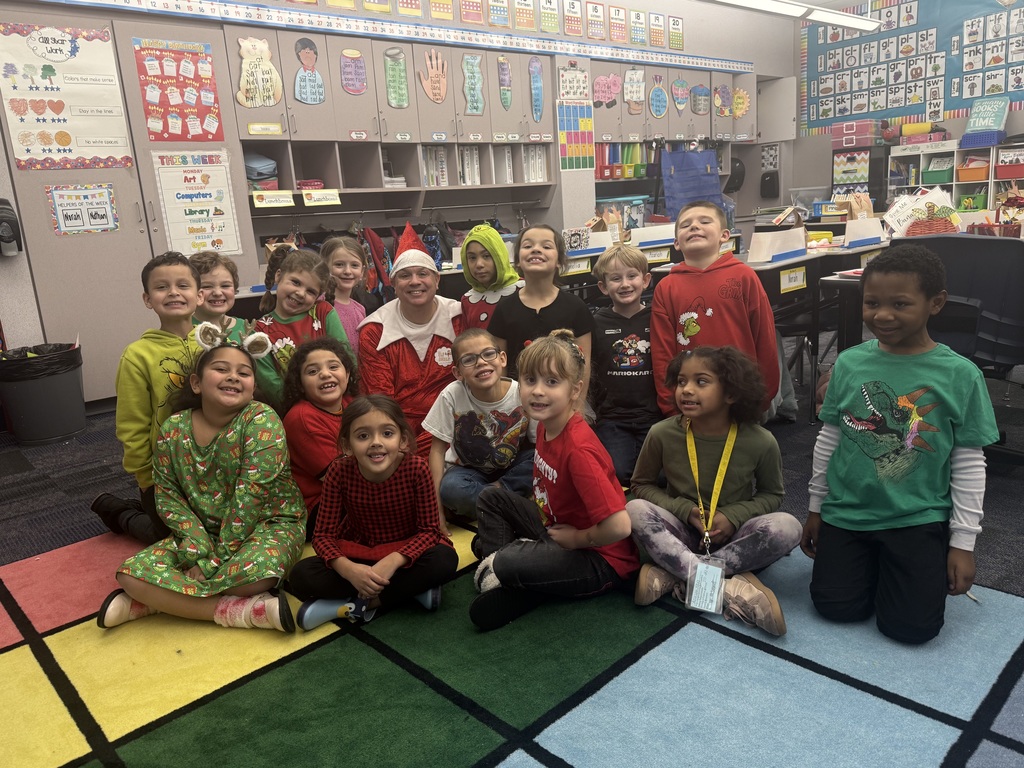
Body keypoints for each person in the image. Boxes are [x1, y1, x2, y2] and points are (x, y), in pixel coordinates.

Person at [801, 245, 999, 644]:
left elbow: (969, 463)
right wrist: (815, 509)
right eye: (872, 302)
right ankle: (873, 567)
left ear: (935, 303)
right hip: (848, 513)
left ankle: (902, 567)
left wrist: (963, 543)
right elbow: (830, 439)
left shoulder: (961, 375)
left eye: (901, 303)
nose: (882, 315)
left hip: (916, 516)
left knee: (912, 629)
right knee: (836, 607)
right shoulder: (850, 363)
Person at [96, 323, 306, 633]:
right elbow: (168, 495)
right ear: (196, 383)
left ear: (252, 385)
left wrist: (209, 563)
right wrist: (196, 548)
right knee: (129, 574)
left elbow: (252, 497)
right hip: (202, 533)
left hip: (268, 522)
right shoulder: (173, 429)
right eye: (221, 369)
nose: (233, 376)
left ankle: (155, 601)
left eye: (244, 373)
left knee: (260, 575)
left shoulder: (262, 420)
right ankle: (241, 611)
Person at [470, 330, 637, 631]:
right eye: (530, 380)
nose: (537, 391)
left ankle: (509, 573)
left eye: (551, 382)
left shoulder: (579, 450)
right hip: (554, 529)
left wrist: (578, 539)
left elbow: (620, 526)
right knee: (489, 498)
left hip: (599, 559)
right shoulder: (546, 426)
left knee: (504, 559)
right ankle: (515, 579)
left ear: (575, 390)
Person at [627, 346, 800, 636]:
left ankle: (676, 575)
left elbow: (772, 495)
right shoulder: (662, 433)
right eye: (682, 381)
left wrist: (733, 516)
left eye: (701, 382)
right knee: (633, 510)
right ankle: (730, 586)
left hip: (734, 536)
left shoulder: (761, 440)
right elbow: (640, 485)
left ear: (731, 394)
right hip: (680, 532)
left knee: (789, 527)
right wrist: (684, 510)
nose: (687, 390)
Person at [287, 395, 459, 629]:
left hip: (405, 554)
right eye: (363, 436)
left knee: (444, 559)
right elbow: (322, 536)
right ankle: (411, 592)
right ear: (347, 445)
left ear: (403, 440)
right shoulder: (339, 471)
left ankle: (358, 605)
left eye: (387, 433)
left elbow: (429, 531)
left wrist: (393, 562)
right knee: (301, 575)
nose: (376, 442)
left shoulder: (416, 468)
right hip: (359, 552)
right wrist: (349, 570)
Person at [91, 252, 203, 544]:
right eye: (162, 287)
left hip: (216, 466)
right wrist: (147, 480)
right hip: (167, 474)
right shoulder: (138, 355)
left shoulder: (215, 342)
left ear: (199, 295)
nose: (174, 292)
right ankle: (121, 513)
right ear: (147, 299)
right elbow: (132, 424)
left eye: (183, 285)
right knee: (176, 544)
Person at [650, 201, 779, 417]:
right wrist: (670, 405)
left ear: (725, 235)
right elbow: (662, 352)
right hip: (689, 402)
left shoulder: (744, 277)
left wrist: (762, 396)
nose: (694, 227)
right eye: (685, 225)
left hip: (740, 396)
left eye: (705, 221)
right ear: (676, 243)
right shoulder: (666, 288)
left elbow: (765, 339)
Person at [421, 328, 535, 534]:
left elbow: (539, 444)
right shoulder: (452, 395)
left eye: (488, 354)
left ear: (502, 358)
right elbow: (436, 451)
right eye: (469, 359)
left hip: (511, 468)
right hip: (468, 471)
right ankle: (511, 507)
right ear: (457, 373)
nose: (481, 362)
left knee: (540, 461)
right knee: (452, 489)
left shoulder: (522, 392)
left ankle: (494, 500)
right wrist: (436, 512)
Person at [358, 249, 465, 457]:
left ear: (437, 280)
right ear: (393, 285)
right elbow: (380, 401)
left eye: (423, 274)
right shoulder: (374, 331)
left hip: (456, 422)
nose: (415, 281)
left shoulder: (460, 318)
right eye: (405, 275)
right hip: (399, 432)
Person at [488, 225, 595, 408]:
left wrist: (576, 407)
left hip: (563, 405)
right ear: (518, 261)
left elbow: (583, 367)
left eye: (546, 246)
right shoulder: (505, 309)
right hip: (519, 405)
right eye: (528, 246)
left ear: (559, 261)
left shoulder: (576, 307)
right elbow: (500, 366)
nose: (536, 249)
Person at [590, 243, 662, 486]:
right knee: (619, 473)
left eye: (632, 276)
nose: (625, 284)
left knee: (659, 474)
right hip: (613, 417)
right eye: (615, 278)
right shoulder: (595, 323)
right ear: (603, 286)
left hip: (653, 414)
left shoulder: (659, 318)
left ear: (646, 280)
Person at [253, 245, 354, 411]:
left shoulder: (323, 312)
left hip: (339, 406)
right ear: (278, 276)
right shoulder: (259, 331)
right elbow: (272, 386)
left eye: (310, 291)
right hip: (295, 412)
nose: (300, 293)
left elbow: (347, 361)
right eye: (295, 282)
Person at [282, 337, 359, 540]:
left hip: (356, 488)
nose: (325, 374)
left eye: (333, 366)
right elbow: (342, 479)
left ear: (347, 374)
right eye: (312, 371)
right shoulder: (301, 418)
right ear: (300, 384)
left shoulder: (352, 404)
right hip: (320, 506)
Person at [458, 223, 521, 329]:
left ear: (499, 257)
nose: (479, 264)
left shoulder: (523, 290)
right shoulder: (468, 300)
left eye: (486, 256)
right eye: (472, 258)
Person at [320, 235, 368, 352]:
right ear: (325, 268)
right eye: (339, 264)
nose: (347, 271)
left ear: (362, 271)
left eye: (354, 265)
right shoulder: (319, 305)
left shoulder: (360, 309)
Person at [191, 250, 245, 345]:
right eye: (206, 286)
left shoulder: (246, 328)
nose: (217, 293)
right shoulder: (183, 329)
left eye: (225, 286)